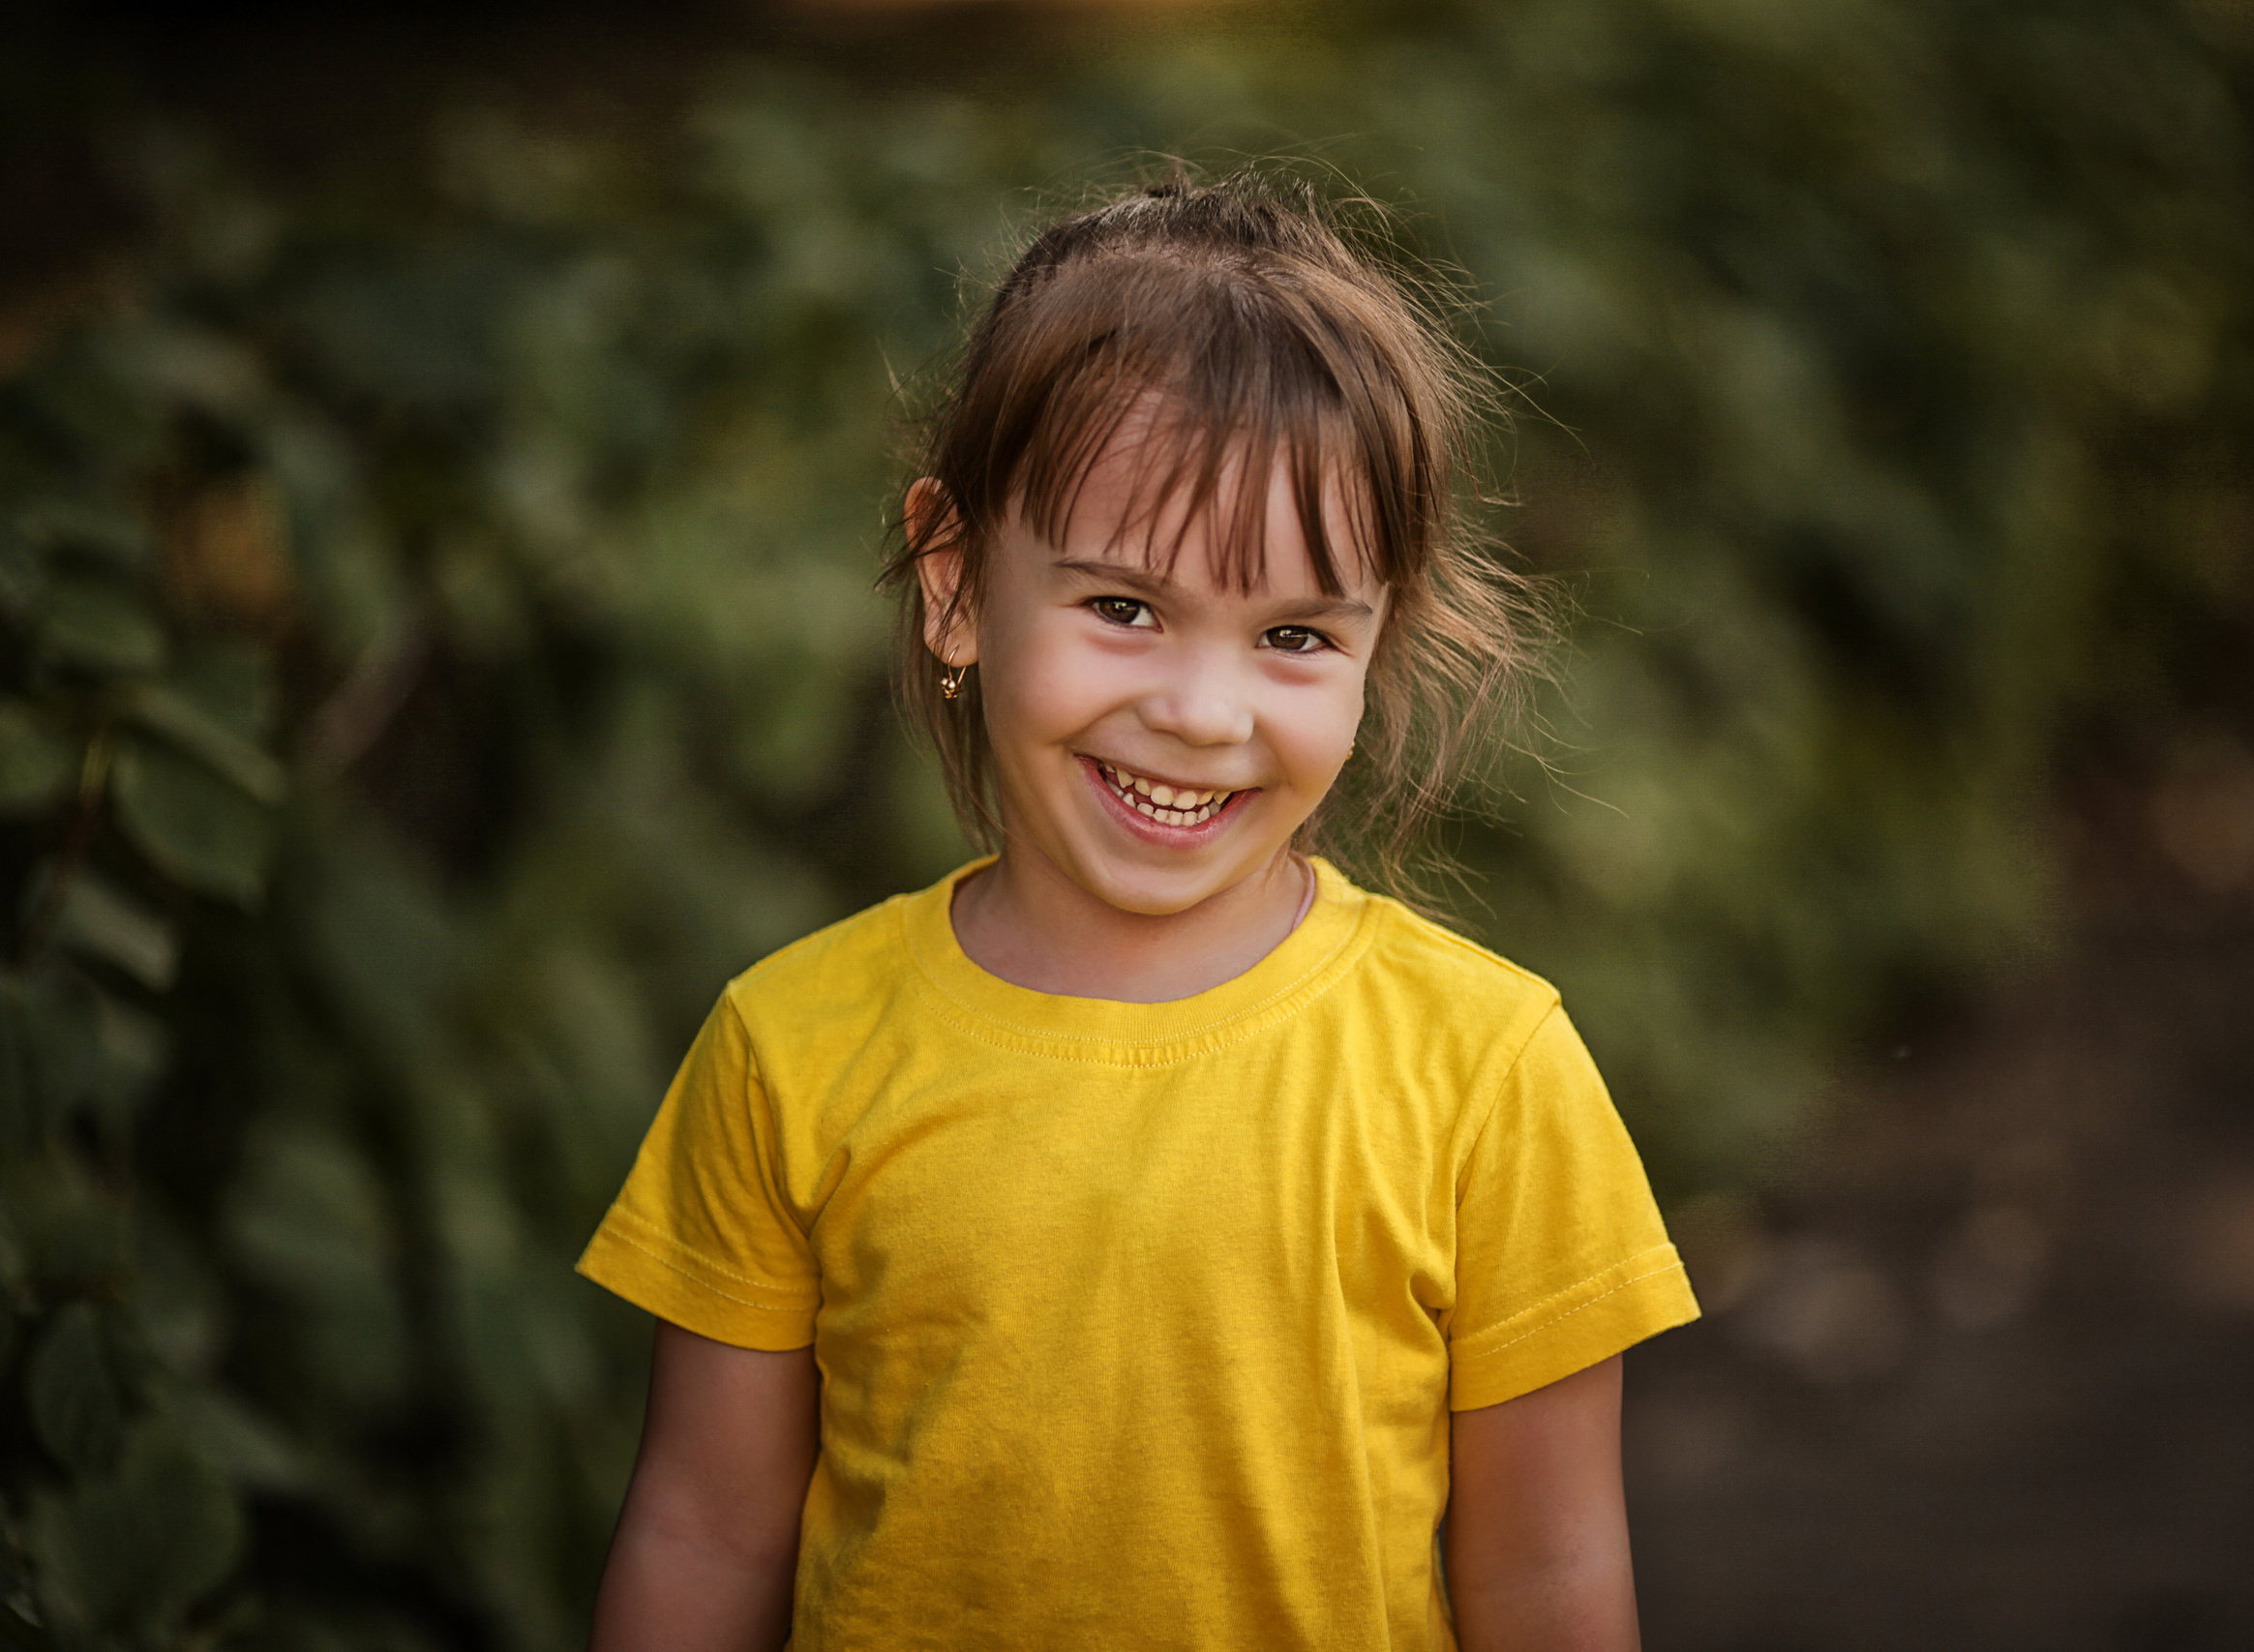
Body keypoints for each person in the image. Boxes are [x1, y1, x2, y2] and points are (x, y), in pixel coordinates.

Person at [579, 168, 1698, 1652]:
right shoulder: (790, 1051)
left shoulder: (1487, 1074)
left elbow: (1547, 1576)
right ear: (957, 579)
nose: (1202, 711)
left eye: (1294, 634)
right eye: (1125, 608)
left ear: (1381, 642)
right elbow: (702, 1535)